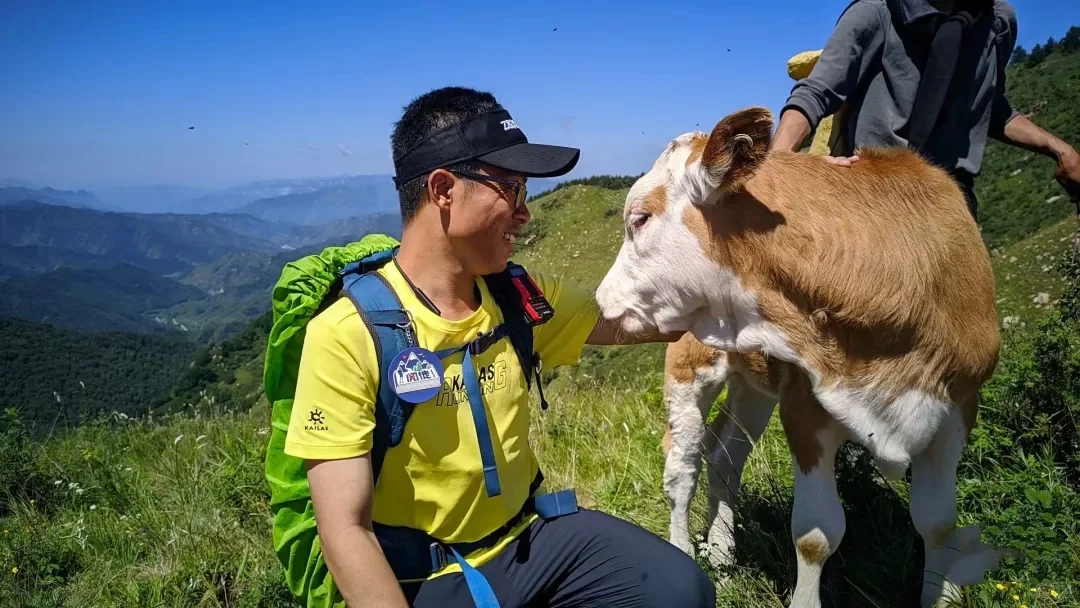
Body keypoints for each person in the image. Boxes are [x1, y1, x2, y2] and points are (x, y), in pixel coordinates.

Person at [281, 86, 715, 608]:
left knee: (680, 590)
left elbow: (646, 321)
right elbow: (344, 531)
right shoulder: (348, 333)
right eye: (509, 188)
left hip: (532, 537)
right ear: (443, 189)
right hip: (431, 576)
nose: (524, 212)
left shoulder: (515, 296)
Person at [771, 0, 1080, 217]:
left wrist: (1060, 149)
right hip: (874, 197)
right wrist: (779, 163)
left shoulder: (997, 22)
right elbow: (816, 93)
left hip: (951, 205)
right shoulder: (876, 12)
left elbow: (990, 107)